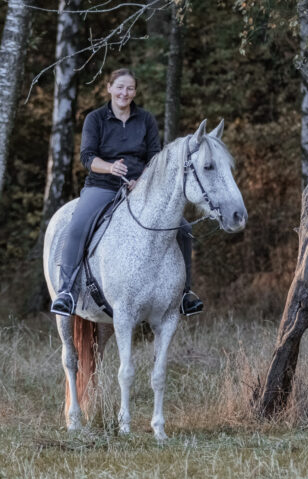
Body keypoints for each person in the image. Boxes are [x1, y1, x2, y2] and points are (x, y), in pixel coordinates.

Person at [50, 68, 203, 317]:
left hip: (140, 189)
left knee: (183, 229)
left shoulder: (146, 119)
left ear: (135, 92)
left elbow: (155, 158)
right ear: (109, 88)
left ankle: (185, 294)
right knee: (76, 227)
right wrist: (110, 167)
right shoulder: (95, 119)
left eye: (130, 88)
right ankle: (66, 292)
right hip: (102, 185)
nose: (124, 92)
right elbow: (87, 157)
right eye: (120, 87)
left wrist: (141, 181)